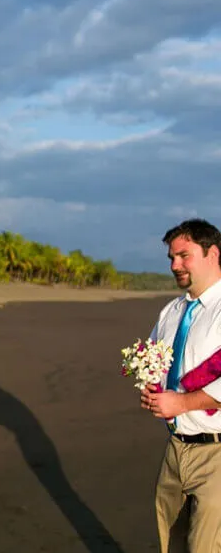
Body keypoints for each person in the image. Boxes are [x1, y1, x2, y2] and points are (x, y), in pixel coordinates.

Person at [142, 218, 221, 552]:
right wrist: (149, 387)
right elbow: (151, 359)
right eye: (172, 258)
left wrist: (182, 403)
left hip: (217, 453)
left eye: (184, 256)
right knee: (169, 542)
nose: (175, 265)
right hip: (175, 449)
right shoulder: (172, 311)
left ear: (212, 254)